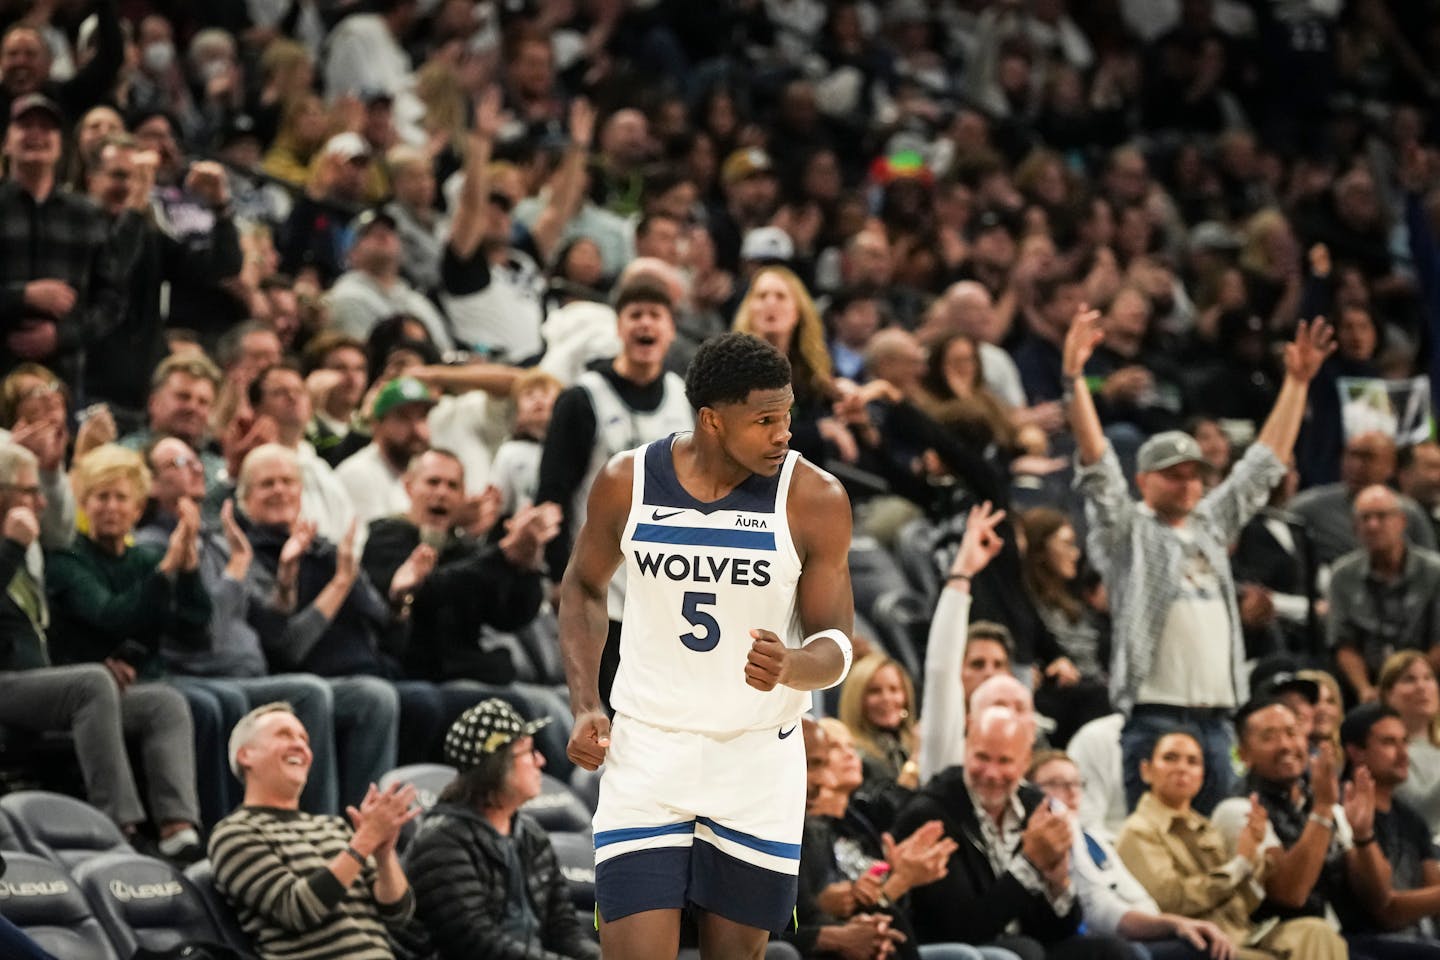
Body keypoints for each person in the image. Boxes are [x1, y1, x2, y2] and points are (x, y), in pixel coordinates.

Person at [560, 332, 854, 958]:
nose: (784, 434)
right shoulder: (627, 481)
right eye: (765, 420)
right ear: (712, 421)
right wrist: (587, 702)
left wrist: (792, 666)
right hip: (648, 753)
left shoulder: (815, 498)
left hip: (756, 761)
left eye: (788, 417)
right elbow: (584, 588)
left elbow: (837, 645)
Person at [1064, 307, 1334, 813]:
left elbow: (1262, 465)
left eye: (1195, 474)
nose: (1188, 482)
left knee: (1216, 851)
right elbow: (1098, 462)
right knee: (1160, 848)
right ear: (1144, 481)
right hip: (1155, 718)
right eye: (1174, 474)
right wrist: (1077, 380)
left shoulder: (1210, 525)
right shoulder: (1128, 531)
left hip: (1218, 720)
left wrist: (1297, 383)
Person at [0, 441, 202, 853]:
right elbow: (108, 614)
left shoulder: (34, 546)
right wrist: (10, 548)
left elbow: (191, 630)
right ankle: (117, 829)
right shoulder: (25, 547)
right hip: (7, 682)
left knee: (162, 702)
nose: (39, 502)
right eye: (28, 491)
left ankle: (178, 831)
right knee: (92, 683)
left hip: (39, 681)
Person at [538, 280, 694, 705]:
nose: (645, 323)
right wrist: (556, 576)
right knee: (611, 717)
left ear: (670, 330)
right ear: (619, 327)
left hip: (667, 587)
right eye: (635, 314)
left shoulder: (685, 401)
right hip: (600, 586)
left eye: (655, 315)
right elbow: (552, 491)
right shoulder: (583, 398)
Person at [894, 705, 1134, 960]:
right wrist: (1029, 864)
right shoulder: (931, 814)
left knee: (1112, 951)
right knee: (1024, 951)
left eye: (1004, 761)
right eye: (982, 758)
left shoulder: (1036, 807)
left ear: (1025, 763)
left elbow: (1060, 931)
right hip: (963, 949)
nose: (991, 773)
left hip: (1028, 947)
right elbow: (961, 929)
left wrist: (1058, 884)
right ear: (966, 752)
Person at [209, 702, 422, 960]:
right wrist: (365, 840)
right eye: (284, 735)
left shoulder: (333, 826)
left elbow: (397, 913)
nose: (301, 746)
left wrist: (384, 854)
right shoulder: (234, 833)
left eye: (304, 739)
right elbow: (297, 909)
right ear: (246, 755)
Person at [1115, 731, 1346, 960]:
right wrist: (1239, 865)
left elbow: (1241, 905)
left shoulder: (1204, 826)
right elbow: (1171, 901)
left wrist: (1253, 858)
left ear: (1202, 776)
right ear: (1146, 771)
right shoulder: (1138, 831)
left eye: (1192, 761)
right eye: (1170, 758)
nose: (1182, 768)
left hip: (1241, 933)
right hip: (1194, 942)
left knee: (1317, 931)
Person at [403, 700, 600, 960]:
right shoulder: (440, 842)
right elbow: (476, 943)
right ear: (496, 766)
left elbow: (564, 929)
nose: (540, 760)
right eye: (529, 751)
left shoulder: (531, 835)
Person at [1028, 751, 1235, 960]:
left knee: (1211, 948)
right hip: (1091, 942)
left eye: (1076, 783)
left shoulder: (1094, 839)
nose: (1072, 793)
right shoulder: (1135, 830)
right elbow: (1101, 913)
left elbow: (1140, 899)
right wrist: (1174, 924)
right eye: (1056, 784)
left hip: (1143, 934)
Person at [1337, 702, 1440, 956]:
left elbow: (1434, 891)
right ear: (1356, 752)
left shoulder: (1410, 817)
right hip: (1362, 942)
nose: (1403, 753)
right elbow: (1385, 910)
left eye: (1404, 741)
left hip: (1415, 940)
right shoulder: (1340, 810)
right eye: (1389, 743)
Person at [1328, 484, 1440, 703]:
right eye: (1365, 518)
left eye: (1382, 516)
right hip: (1367, 686)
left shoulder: (1434, 571)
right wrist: (1365, 690)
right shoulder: (1342, 574)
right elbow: (1344, 643)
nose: (1373, 525)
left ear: (1402, 522)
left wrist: (1410, 683)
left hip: (1428, 682)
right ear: (1354, 528)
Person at [1376, 651, 1440, 838]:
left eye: (1428, 678)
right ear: (1388, 695)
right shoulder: (1386, 752)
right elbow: (1420, 814)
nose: (1422, 687)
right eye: (1409, 680)